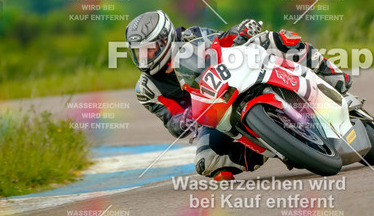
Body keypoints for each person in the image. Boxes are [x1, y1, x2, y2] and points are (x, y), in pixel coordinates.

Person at [125, 10, 352, 181]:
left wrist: (240, 31)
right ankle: (273, 147)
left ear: (165, 40)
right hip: (212, 116)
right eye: (139, 52)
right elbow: (171, 121)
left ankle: (331, 74)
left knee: (271, 39)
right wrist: (182, 120)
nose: (145, 57)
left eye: (149, 49)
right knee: (207, 162)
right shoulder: (146, 90)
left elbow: (223, 40)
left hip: (234, 81)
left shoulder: (191, 36)